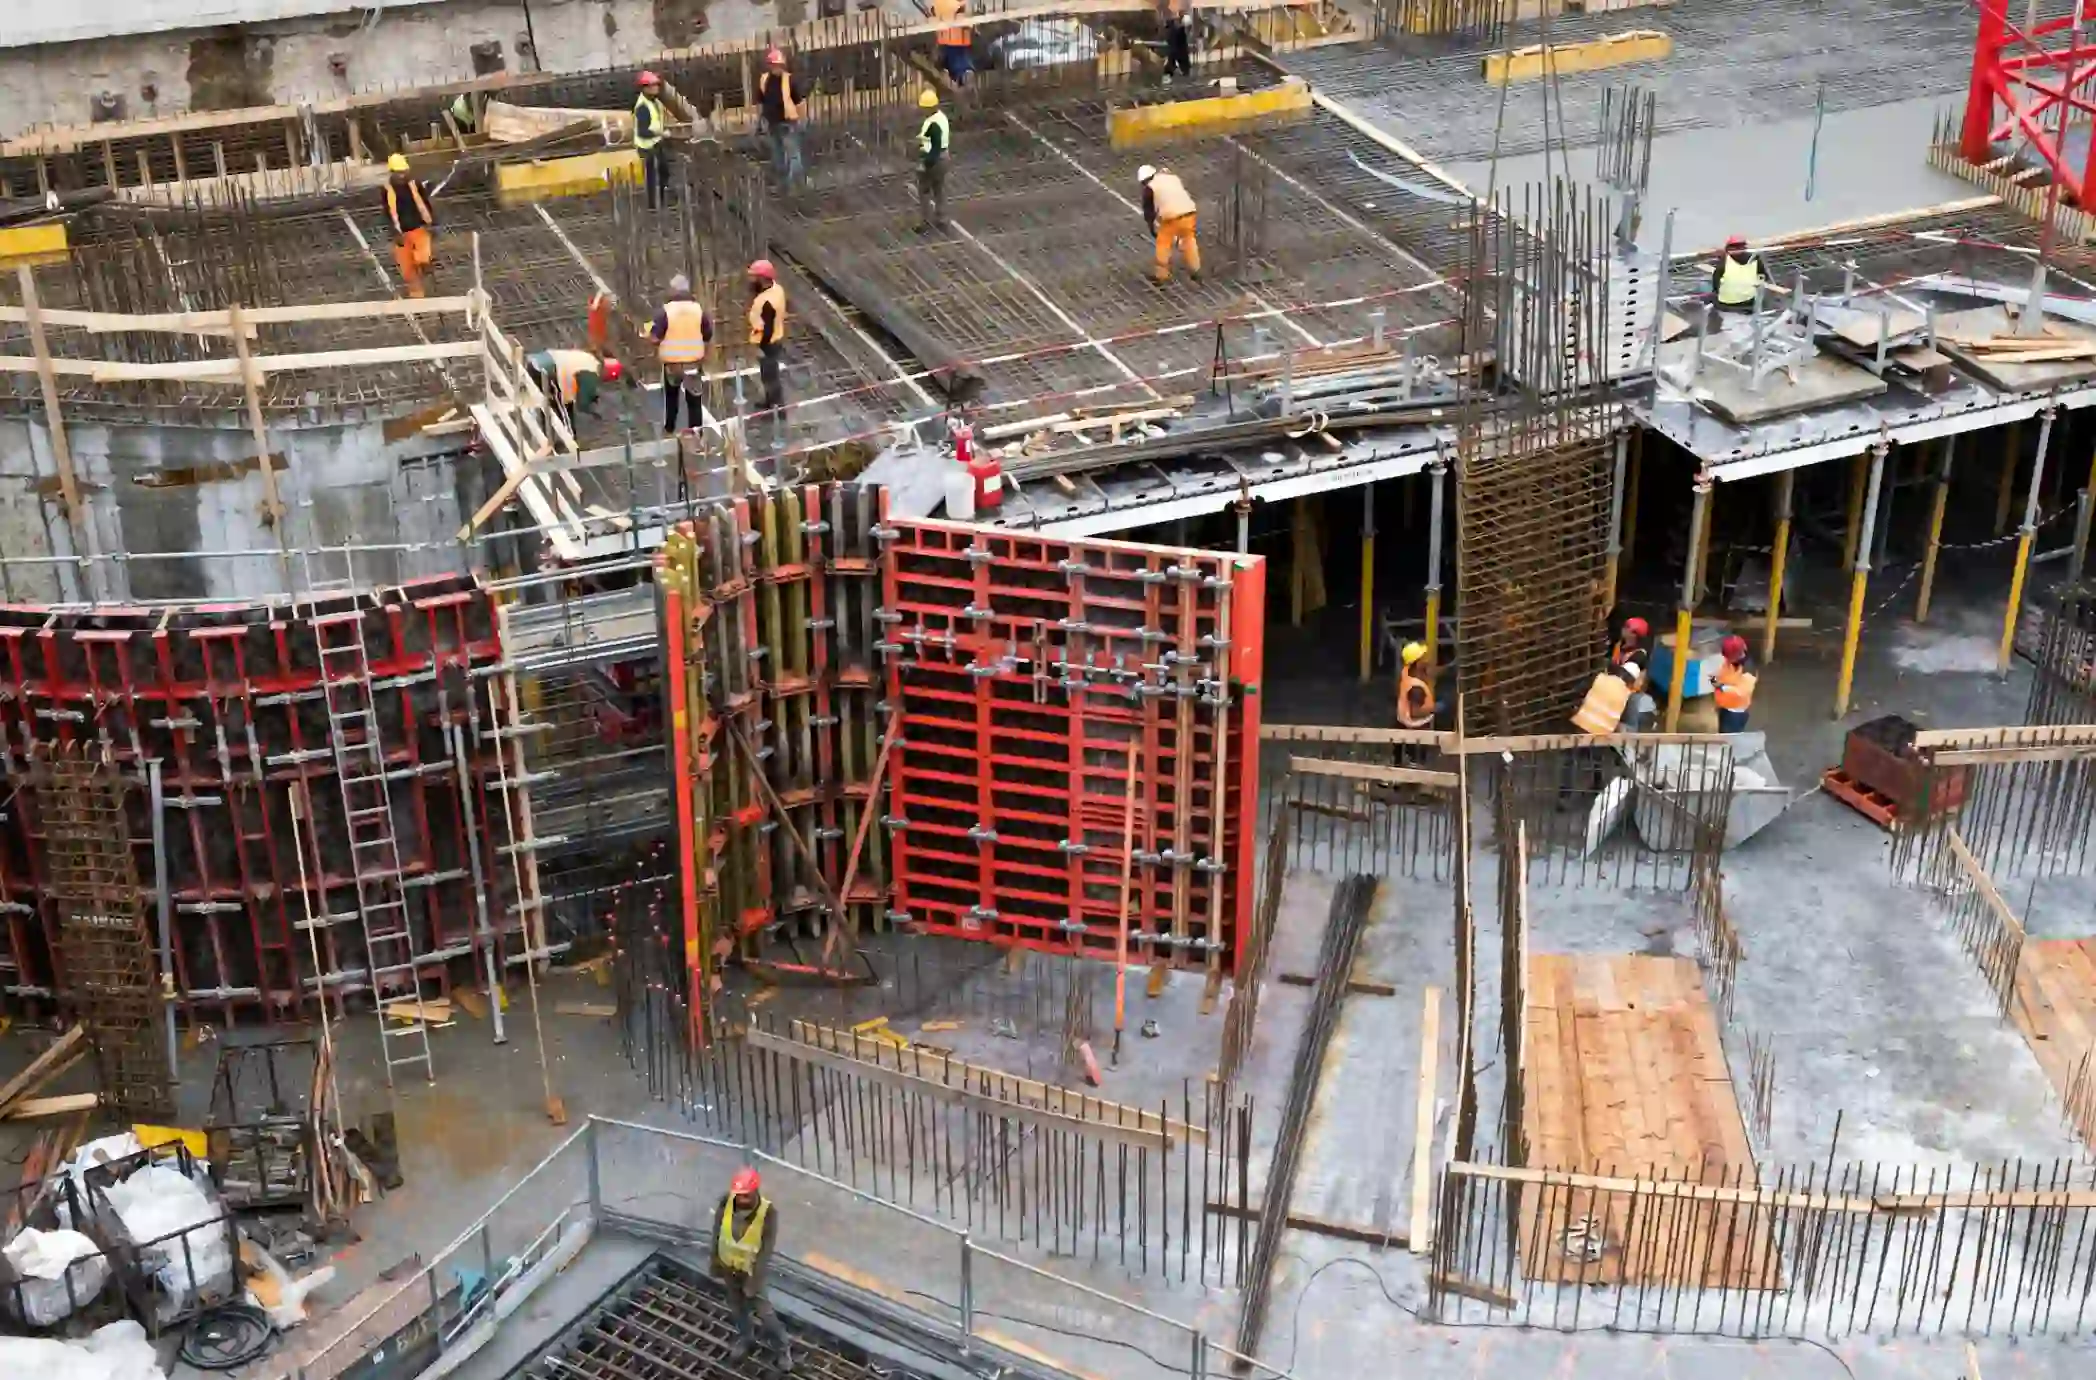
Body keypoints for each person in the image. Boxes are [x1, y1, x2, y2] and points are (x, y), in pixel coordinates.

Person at [712, 1167, 793, 1367]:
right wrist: (715, 1263)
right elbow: (717, 1235)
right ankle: (746, 1338)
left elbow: (765, 1252)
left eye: (745, 1196)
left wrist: (753, 1283)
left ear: (755, 1192)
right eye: (738, 1196)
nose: (741, 1200)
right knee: (738, 1310)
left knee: (765, 1314)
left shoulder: (767, 1214)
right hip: (730, 1269)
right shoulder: (725, 1207)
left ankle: (783, 1348)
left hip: (751, 1273)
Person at [647, 274, 714, 434]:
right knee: (694, 401)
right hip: (693, 363)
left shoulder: (665, 312)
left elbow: (655, 338)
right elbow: (708, 335)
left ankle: (669, 428)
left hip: (673, 364)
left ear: (672, 291)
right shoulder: (698, 310)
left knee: (671, 398)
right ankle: (696, 433)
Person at [525, 349, 622, 431]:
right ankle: (570, 440)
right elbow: (582, 403)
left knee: (552, 403)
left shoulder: (589, 359)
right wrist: (594, 412)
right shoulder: (591, 373)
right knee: (561, 406)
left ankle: (548, 437)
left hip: (536, 361)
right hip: (545, 370)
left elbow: (575, 384)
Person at [382, 154, 436, 298]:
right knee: (407, 269)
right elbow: (387, 212)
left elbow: (425, 203)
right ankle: (417, 297)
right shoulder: (387, 190)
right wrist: (394, 232)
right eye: (398, 172)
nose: (401, 175)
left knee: (422, 257)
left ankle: (425, 267)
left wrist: (431, 222)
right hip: (401, 234)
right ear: (392, 172)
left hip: (419, 228)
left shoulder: (415, 185)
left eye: (403, 172)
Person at [1137, 164, 1200, 285]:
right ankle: (1195, 270)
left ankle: (1161, 276)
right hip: (1189, 212)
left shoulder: (1149, 188)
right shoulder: (1171, 177)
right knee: (1189, 240)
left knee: (1163, 243)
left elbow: (1148, 210)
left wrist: (1151, 227)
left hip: (1171, 217)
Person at [747, 259, 788, 426]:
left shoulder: (767, 302)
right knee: (767, 376)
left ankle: (778, 411)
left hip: (768, 343)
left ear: (762, 278)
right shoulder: (776, 289)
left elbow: (768, 329)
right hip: (774, 339)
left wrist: (762, 348)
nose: (751, 280)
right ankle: (769, 404)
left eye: (754, 277)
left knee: (771, 378)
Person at [758, 48, 806, 191]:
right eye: (774, 65)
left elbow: (799, 102)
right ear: (770, 65)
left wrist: (802, 120)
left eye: (778, 65)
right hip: (772, 123)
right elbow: (760, 101)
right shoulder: (764, 80)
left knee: (793, 154)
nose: (776, 68)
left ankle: (796, 183)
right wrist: (760, 120)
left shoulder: (789, 80)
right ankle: (784, 183)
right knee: (778, 155)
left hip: (788, 122)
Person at [634, 71, 673, 210]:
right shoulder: (642, 107)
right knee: (652, 177)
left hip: (656, 143)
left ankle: (661, 199)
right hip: (647, 147)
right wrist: (661, 132)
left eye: (656, 85)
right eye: (653, 85)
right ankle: (654, 204)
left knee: (664, 172)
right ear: (645, 88)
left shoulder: (654, 102)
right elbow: (642, 132)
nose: (656, 87)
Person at [916, 89, 951, 232]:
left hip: (935, 159)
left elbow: (935, 147)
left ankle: (925, 222)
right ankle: (941, 219)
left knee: (924, 191)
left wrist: (925, 163)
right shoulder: (941, 117)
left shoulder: (933, 124)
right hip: (944, 157)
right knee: (939, 189)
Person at [1571, 664, 1639, 736]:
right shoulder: (1627, 695)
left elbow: (1577, 690)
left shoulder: (1599, 678)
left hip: (1581, 725)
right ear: (1631, 682)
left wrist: (1577, 708)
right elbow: (1628, 725)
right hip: (1602, 736)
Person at [1713, 633, 1757, 733]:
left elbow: (1742, 692)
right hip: (1724, 707)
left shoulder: (1748, 670)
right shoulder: (1730, 662)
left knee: (1729, 740)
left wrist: (1721, 687)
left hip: (1735, 712)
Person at [1711, 235, 1765, 312]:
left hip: (1726, 304)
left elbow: (1715, 286)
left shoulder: (1723, 263)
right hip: (1749, 301)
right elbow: (1763, 277)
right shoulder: (1756, 260)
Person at [1395, 641, 1434, 730]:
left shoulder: (1406, 672)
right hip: (1416, 728)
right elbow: (1415, 712)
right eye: (1424, 657)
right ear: (1417, 663)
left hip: (1404, 721)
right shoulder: (1416, 687)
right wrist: (1433, 709)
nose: (1427, 660)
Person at [932, 0, 973, 85]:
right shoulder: (957, 5)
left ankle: (955, 76)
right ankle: (963, 75)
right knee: (960, 64)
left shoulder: (939, 2)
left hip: (944, 40)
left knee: (951, 64)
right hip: (958, 41)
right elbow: (965, 22)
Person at [1161, 0, 1193, 81]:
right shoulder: (1175, 24)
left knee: (1178, 63)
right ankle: (1171, 77)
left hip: (1178, 49)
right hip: (1177, 49)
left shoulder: (1179, 24)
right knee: (1177, 63)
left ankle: (1171, 77)